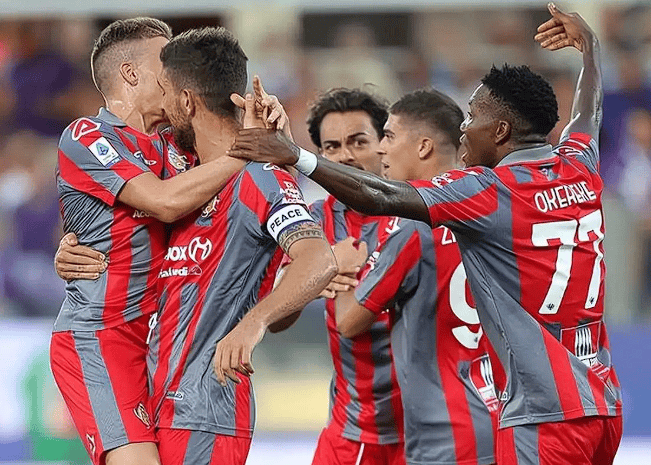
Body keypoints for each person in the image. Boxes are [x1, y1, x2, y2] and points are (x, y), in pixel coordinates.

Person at [228, 5, 623, 465]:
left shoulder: (486, 191)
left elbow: (380, 197)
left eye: (472, 116)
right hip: (602, 401)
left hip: (541, 414)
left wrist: (296, 156)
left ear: (500, 130)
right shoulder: (578, 163)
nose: (463, 127)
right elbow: (588, 111)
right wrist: (591, 50)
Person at [50, 18, 251, 465]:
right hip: (102, 336)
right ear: (131, 73)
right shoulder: (88, 135)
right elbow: (164, 202)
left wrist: (270, 134)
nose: (177, 72)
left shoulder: (179, 145)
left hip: (167, 345)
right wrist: (248, 151)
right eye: (166, 62)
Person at [148, 27, 336, 465]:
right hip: (156, 406)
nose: (161, 106)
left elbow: (318, 258)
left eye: (165, 93)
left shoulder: (261, 178)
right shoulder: (181, 179)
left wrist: (254, 323)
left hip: (205, 413)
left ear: (187, 102)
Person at [333, 90, 498, 465]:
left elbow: (349, 321)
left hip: (444, 433)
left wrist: (343, 266)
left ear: (423, 147)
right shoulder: (493, 202)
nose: (381, 148)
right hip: (503, 419)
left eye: (390, 136)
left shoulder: (413, 225)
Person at [295, 88, 406, 465]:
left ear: (384, 144)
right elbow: (278, 316)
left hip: (432, 428)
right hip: (356, 429)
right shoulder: (312, 220)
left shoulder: (423, 211)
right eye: (332, 147)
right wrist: (312, 279)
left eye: (359, 142)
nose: (345, 156)